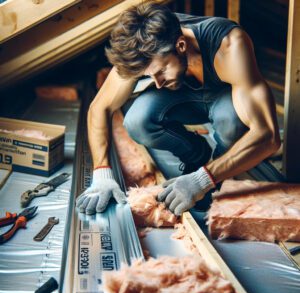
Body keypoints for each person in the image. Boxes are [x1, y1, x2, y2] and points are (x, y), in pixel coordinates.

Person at [76, 2, 280, 215]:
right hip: (185, 97)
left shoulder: (228, 44)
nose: (157, 83)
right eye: (149, 76)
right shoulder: (142, 46)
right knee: (137, 120)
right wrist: (102, 174)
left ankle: (218, 172)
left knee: (229, 119)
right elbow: (99, 108)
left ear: (181, 45)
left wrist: (202, 179)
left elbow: (268, 136)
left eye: (162, 71)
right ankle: (196, 155)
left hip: (224, 99)